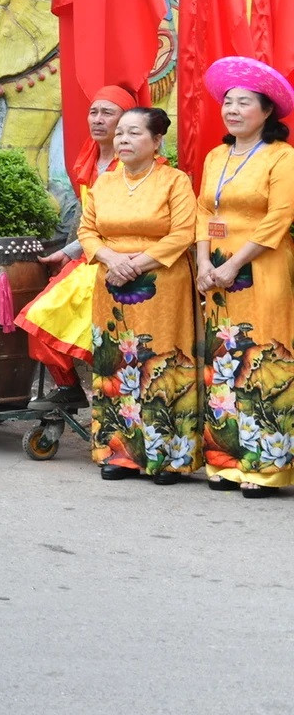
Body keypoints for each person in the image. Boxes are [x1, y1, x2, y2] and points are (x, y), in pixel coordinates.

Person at [80, 107, 201, 481]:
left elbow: (184, 232)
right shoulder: (105, 182)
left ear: (156, 141)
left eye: (133, 133)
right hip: (112, 282)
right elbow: (87, 231)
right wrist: (113, 259)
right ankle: (120, 452)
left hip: (162, 282)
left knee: (160, 361)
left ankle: (168, 456)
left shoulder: (174, 181)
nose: (123, 140)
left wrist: (139, 263)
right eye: (119, 134)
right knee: (117, 364)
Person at [195, 57, 294, 495]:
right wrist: (203, 263)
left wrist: (235, 263)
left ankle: (264, 467)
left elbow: (280, 217)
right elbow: (203, 212)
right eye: (228, 102)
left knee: (263, 357)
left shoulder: (281, 157)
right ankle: (225, 460)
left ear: (267, 111)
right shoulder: (217, 155)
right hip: (216, 272)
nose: (232, 110)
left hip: (262, 265)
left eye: (243, 103)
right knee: (223, 361)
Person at [21, 84, 143, 400]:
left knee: (100, 338)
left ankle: (118, 398)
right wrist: (66, 251)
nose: (98, 119)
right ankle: (68, 387)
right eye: (94, 112)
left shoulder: (137, 164)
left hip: (123, 262)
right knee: (38, 320)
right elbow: (91, 222)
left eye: (108, 113)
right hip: (88, 256)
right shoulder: (88, 157)